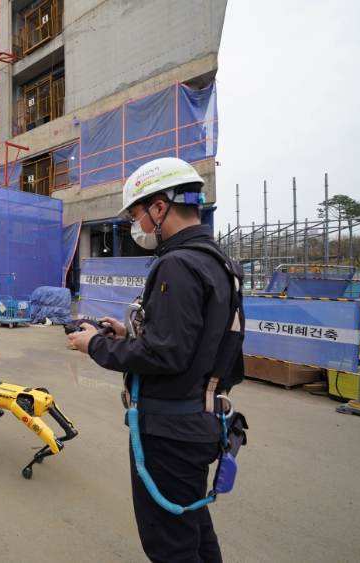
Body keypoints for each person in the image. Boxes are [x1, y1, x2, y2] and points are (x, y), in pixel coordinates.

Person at [68, 157, 245, 563]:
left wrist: (94, 344)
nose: (138, 226)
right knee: (194, 531)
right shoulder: (219, 263)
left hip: (170, 431)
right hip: (199, 421)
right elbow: (195, 345)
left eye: (137, 215)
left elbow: (164, 353)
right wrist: (128, 335)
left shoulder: (178, 264)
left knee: (170, 546)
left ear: (160, 207)